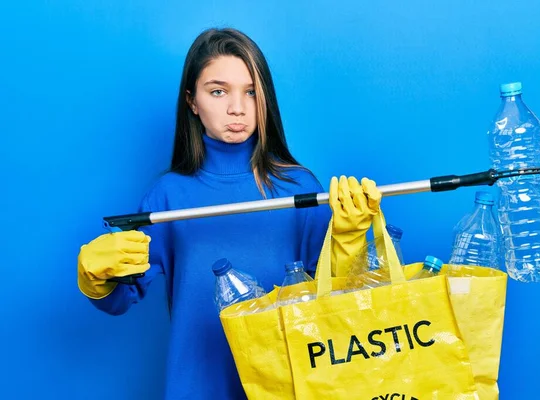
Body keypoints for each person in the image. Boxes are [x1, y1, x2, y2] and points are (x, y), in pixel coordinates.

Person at [77, 28, 381, 399]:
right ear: (192, 101)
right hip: (198, 385)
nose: (237, 108)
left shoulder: (300, 187)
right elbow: (121, 299)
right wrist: (98, 279)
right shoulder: (168, 196)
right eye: (218, 91)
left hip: (290, 383)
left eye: (250, 92)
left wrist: (348, 240)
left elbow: (343, 300)